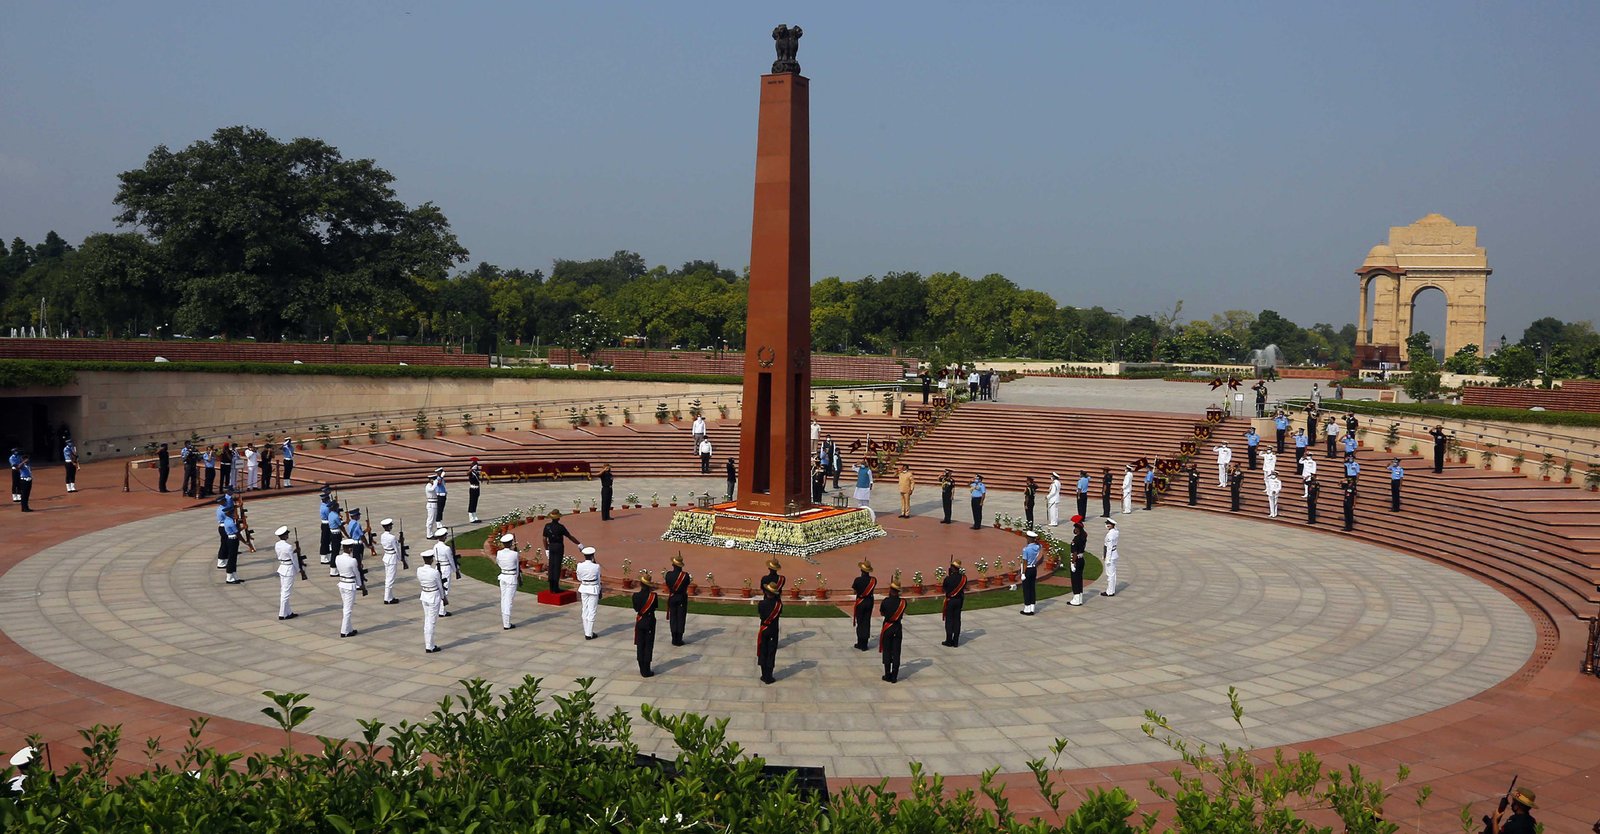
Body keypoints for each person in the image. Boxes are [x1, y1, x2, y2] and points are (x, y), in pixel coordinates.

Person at [542, 509, 581, 593]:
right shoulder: (561, 527)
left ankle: (551, 587)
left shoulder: (547, 526)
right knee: (557, 566)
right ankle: (555, 587)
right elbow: (570, 537)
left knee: (551, 565)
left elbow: (544, 539)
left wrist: (546, 549)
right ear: (558, 518)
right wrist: (579, 543)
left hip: (551, 546)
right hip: (559, 546)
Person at [416, 550, 444, 653]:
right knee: (431, 622)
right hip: (433, 596)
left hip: (425, 595)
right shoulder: (434, 572)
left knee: (427, 620)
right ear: (431, 559)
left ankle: (428, 643)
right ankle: (430, 646)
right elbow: (440, 586)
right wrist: (443, 597)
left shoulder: (419, 570)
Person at [878, 582, 906, 682]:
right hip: (897, 627)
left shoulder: (886, 601)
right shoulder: (903, 602)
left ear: (891, 590)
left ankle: (887, 674)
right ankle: (894, 676)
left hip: (888, 627)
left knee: (887, 651)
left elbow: (882, 613)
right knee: (896, 651)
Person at [632, 577, 659, 677]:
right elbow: (655, 607)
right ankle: (646, 670)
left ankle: (641, 667)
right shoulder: (653, 596)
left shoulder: (635, 596)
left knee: (640, 644)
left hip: (640, 621)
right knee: (648, 645)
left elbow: (636, 608)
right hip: (649, 621)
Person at [335, 538, 362, 638]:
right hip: (349, 585)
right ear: (350, 549)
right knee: (348, 609)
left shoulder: (337, 558)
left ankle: (349, 628)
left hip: (342, 583)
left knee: (346, 607)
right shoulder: (352, 561)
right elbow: (357, 573)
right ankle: (344, 631)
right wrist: (361, 585)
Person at [756, 581, 782, 684]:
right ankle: (769, 677)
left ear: (766, 592)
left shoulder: (761, 604)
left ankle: (763, 675)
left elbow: (761, 616)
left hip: (764, 629)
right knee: (771, 653)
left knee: (763, 652)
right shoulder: (779, 605)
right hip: (773, 631)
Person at [273, 526, 299, 620]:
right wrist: (298, 569)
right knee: (286, 592)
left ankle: (288, 612)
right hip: (288, 568)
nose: (288, 535)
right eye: (286, 534)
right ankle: (282, 613)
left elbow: (287, 554)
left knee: (283, 590)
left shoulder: (277, 544)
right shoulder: (288, 546)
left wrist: (294, 552)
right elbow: (293, 559)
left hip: (282, 567)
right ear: (284, 535)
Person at [663, 554, 690, 646]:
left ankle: (674, 638)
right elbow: (687, 584)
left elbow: (667, 584)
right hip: (682, 598)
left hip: (672, 597)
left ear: (673, 565)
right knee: (681, 618)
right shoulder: (685, 576)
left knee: (673, 618)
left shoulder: (668, 575)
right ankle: (679, 638)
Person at [496, 533, 520, 630]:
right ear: (511, 543)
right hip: (511, 577)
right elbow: (517, 567)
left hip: (503, 576)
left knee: (504, 599)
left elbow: (498, 562)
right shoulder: (514, 554)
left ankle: (505, 621)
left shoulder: (499, 553)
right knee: (508, 601)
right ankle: (506, 623)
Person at [576, 546, 601, 639]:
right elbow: (598, 579)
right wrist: (600, 589)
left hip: (584, 587)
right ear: (592, 555)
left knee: (585, 609)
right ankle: (589, 633)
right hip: (593, 588)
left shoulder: (579, 565)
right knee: (592, 610)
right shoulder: (596, 566)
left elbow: (579, 578)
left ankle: (587, 631)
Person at [431, 528, 457, 616]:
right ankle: (442, 611)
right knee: (445, 588)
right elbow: (451, 560)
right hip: (445, 568)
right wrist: (455, 570)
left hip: (438, 567)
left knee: (439, 588)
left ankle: (439, 609)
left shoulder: (435, 546)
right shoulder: (446, 548)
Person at [851, 560, 876, 650]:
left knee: (860, 622)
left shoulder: (857, 580)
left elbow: (854, 591)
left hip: (860, 602)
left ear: (861, 570)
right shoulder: (873, 580)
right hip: (869, 601)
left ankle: (860, 642)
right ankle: (865, 644)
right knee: (866, 621)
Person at [941, 559, 967, 647]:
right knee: (957, 620)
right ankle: (955, 641)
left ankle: (949, 640)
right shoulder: (963, 578)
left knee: (949, 620)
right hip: (959, 600)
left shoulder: (948, 579)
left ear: (952, 568)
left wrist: (949, 576)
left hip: (950, 601)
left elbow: (944, 588)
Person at [379, 518, 402, 604]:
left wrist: (399, 541)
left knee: (388, 578)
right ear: (389, 527)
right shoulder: (392, 537)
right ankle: (387, 598)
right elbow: (396, 549)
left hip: (386, 556)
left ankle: (389, 596)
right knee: (390, 579)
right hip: (392, 558)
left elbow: (393, 544)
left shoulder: (383, 536)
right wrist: (401, 559)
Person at [1019, 530, 1041, 615]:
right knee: (1032, 588)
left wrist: (1023, 573)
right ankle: (1032, 608)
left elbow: (1025, 562)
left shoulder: (1026, 549)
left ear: (1029, 539)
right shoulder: (1037, 547)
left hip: (1027, 569)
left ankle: (1027, 608)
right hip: (1034, 569)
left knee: (1026, 589)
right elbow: (1039, 544)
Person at [219, 503, 242, 583]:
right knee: (231, 559)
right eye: (233, 512)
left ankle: (235, 576)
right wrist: (245, 541)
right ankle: (229, 578)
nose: (234, 513)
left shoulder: (228, 520)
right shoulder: (230, 522)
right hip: (232, 540)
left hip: (232, 539)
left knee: (234, 558)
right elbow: (237, 533)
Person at [1068, 516, 1087, 605]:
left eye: (1075, 528)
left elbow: (1074, 552)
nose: (1074, 530)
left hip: (1076, 560)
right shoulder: (1083, 536)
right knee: (1079, 579)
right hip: (1081, 559)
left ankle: (1076, 599)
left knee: (1075, 580)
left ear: (1078, 529)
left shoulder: (1076, 539)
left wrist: (1073, 563)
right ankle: (1079, 598)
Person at [1101, 518, 1120, 597]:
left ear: (1112, 525)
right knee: (1113, 574)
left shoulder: (1110, 535)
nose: (1107, 525)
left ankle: (1110, 592)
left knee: (1110, 575)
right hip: (1114, 553)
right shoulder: (1116, 531)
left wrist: (1107, 559)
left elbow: (1108, 548)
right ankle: (1111, 590)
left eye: (1108, 524)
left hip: (1111, 555)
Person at [317, 488, 335, 564]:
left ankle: (326, 556)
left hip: (324, 523)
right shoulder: (326, 508)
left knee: (327, 540)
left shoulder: (323, 505)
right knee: (325, 541)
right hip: (326, 524)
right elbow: (330, 516)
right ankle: (323, 557)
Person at [467, 459, 484, 523]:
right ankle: (471, 517)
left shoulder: (476, 473)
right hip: (473, 488)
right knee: (472, 502)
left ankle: (474, 516)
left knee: (475, 503)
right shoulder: (471, 472)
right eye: (475, 465)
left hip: (477, 488)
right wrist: (472, 469)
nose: (477, 466)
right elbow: (467, 473)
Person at [423, 472, 440, 537]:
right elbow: (431, 489)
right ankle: (429, 534)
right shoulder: (428, 486)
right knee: (430, 519)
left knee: (433, 519)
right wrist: (435, 483)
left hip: (435, 503)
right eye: (434, 480)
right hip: (431, 504)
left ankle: (431, 533)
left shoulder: (433, 486)